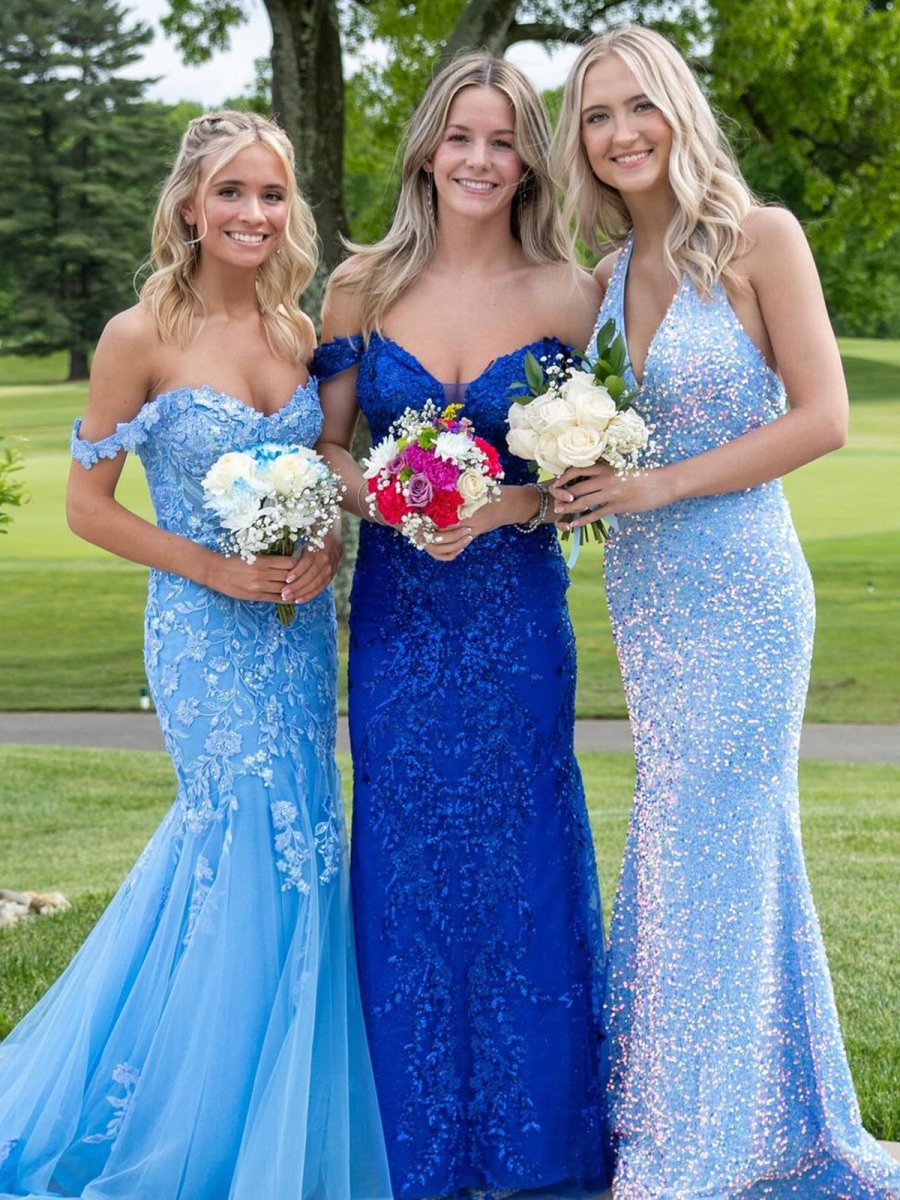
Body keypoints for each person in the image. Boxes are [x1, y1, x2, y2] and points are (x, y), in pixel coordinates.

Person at [0, 111, 391, 1200]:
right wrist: (214, 570)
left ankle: (280, 1117)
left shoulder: (297, 330)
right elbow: (88, 507)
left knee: (306, 843)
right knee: (238, 838)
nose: (253, 213)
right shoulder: (139, 335)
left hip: (297, 634)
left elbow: (322, 468)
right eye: (231, 192)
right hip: (204, 635)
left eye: (271, 194)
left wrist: (323, 544)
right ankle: (189, 1127)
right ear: (188, 205)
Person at [550, 26, 900, 1200]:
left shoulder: (761, 237)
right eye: (597, 116)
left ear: (679, 111)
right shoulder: (602, 280)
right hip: (647, 593)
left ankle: (696, 1142)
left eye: (639, 105)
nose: (622, 133)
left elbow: (823, 417)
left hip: (745, 587)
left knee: (714, 836)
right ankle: (746, 1115)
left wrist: (657, 486)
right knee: (691, 838)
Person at [296, 51, 610, 1200]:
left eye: (505, 139)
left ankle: (537, 1150)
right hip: (399, 623)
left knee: (524, 858)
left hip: (515, 620)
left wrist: (503, 507)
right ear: (429, 148)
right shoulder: (361, 287)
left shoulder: (573, 295)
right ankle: (412, 1151)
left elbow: (591, 477)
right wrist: (390, 497)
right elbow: (327, 446)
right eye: (461, 136)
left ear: (530, 160)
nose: (480, 159)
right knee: (407, 862)